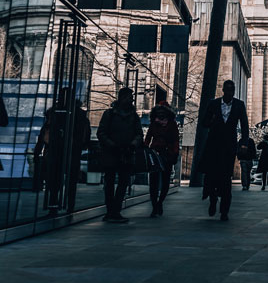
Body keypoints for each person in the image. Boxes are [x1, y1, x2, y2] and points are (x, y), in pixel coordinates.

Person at [34, 88, 91, 212]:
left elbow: (44, 133)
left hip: (56, 150)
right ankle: (69, 205)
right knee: (70, 181)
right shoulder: (79, 115)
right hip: (72, 151)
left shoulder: (54, 113)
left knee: (55, 179)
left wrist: (38, 151)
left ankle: (54, 204)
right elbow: (85, 134)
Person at [200, 80, 249, 221]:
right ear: (223, 90)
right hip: (213, 145)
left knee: (226, 178)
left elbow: (244, 126)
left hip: (229, 147)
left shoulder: (239, 105)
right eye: (227, 90)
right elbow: (204, 123)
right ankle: (213, 199)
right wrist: (213, 120)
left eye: (232, 90)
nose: (230, 93)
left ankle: (224, 211)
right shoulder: (213, 104)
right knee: (212, 176)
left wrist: (244, 144)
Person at [97, 87, 143, 223]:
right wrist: (112, 145)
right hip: (112, 153)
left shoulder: (134, 116)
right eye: (129, 97)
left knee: (122, 182)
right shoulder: (109, 114)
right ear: (121, 98)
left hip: (126, 153)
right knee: (110, 183)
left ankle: (115, 210)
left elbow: (139, 134)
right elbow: (101, 133)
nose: (131, 100)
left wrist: (132, 145)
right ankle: (111, 210)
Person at [144, 101, 179, 217]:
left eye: (163, 111)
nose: (161, 114)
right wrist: (145, 149)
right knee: (153, 182)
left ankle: (159, 203)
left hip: (167, 154)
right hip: (155, 154)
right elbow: (148, 137)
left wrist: (174, 153)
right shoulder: (154, 123)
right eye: (159, 111)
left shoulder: (172, 124)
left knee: (165, 182)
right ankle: (155, 206)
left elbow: (175, 140)